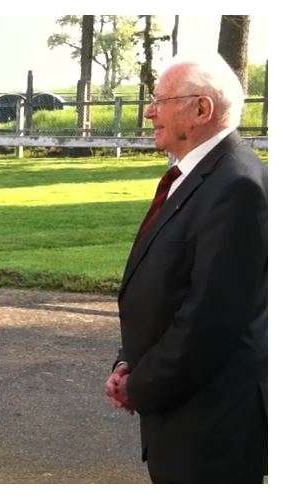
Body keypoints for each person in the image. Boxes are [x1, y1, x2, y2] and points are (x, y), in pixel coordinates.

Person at [105, 54, 267, 483]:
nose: (149, 111)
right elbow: (167, 289)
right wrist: (127, 362)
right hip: (183, 414)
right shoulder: (199, 176)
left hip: (212, 428)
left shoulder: (238, 185)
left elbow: (208, 321)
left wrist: (139, 386)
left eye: (161, 100)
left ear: (201, 110)